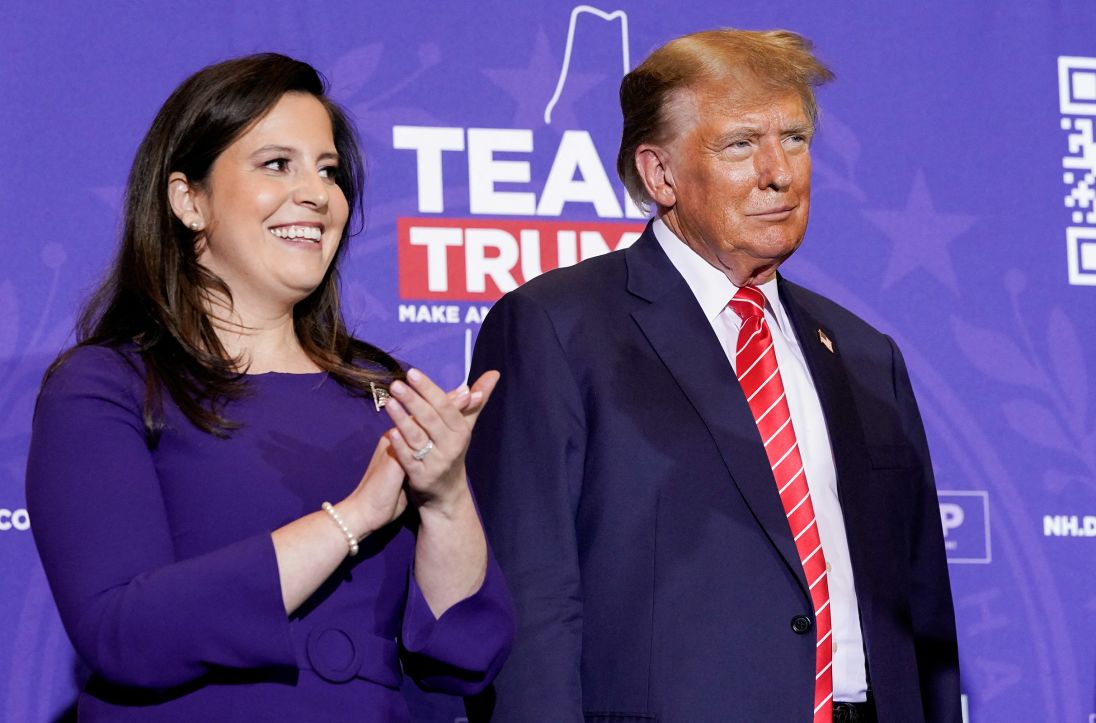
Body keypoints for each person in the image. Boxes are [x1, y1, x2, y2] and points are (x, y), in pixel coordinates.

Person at [466, 29, 959, 723]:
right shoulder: (556, 328)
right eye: (739, 144)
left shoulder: (866, 353)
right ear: (660, 174)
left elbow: (923, 606)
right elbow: (530, 595)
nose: (779, 171)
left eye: (793, 137)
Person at [26, 53, 511, 721]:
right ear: (187, 199)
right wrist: (355, 517)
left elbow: (467, 653)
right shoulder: (108, 386)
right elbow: (124, 632)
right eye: (276, 164)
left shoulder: (388, 393)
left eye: (328, 170)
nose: (316, 193)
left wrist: (449, 496)